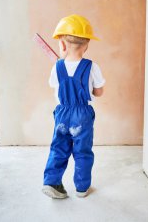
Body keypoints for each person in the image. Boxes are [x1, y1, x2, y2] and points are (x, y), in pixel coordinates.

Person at [42, 14, 105, 199]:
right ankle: (82, 188)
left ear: (62, 45)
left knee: (58, 148)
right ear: (86, 46)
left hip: (62, 114)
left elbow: (55, 86)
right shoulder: (92, 66)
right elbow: (99, 92)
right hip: (82, 115)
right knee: (82, 150)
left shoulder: (57, 67)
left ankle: (52, 182)